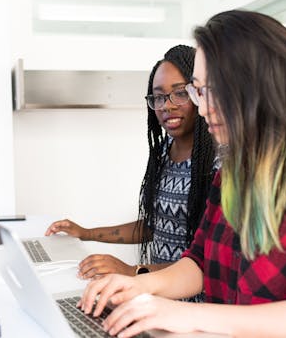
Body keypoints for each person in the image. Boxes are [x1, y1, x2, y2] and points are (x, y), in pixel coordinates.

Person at [78, 10, 286, 338]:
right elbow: (198, 261)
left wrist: (186, 313)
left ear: (259, 85)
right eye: (198, 91)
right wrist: (138, 285)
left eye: (212, 90)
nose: (203, 106)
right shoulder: (233, 172)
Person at [45, 45, 218, 286]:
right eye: (158, 97)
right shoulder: (164, 153)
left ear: (198, 93)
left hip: (196, 305)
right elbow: (152, 227)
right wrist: (86, 233)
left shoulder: (218, 164)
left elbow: (208, 261)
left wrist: (132, 271)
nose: (166, 106)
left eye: (180, 93)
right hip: (157, 293)